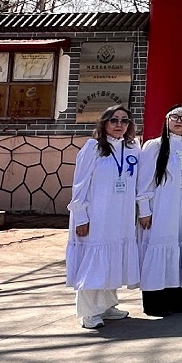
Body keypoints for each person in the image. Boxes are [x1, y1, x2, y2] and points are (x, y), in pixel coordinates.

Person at [66, 104, 142, 330]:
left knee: (114, 257)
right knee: (94, 260)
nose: (119, 125)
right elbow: (80, 184)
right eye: (114, 120)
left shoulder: (132, 148)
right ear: (104, 123)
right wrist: (81, 216)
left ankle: (107, 305)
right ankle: (89, 312)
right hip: (97, 214)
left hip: (121, 215)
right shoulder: (93, 148)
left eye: (124, 121)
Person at [136, 105, 182, 317]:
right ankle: (155, 301)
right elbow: (144, 181)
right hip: (162, 207)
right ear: (167, 120)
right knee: (159, 248)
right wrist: (144, 210)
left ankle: (176, 297)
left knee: (179, 248)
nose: (179, 121)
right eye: (175, 116)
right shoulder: (154, 146)